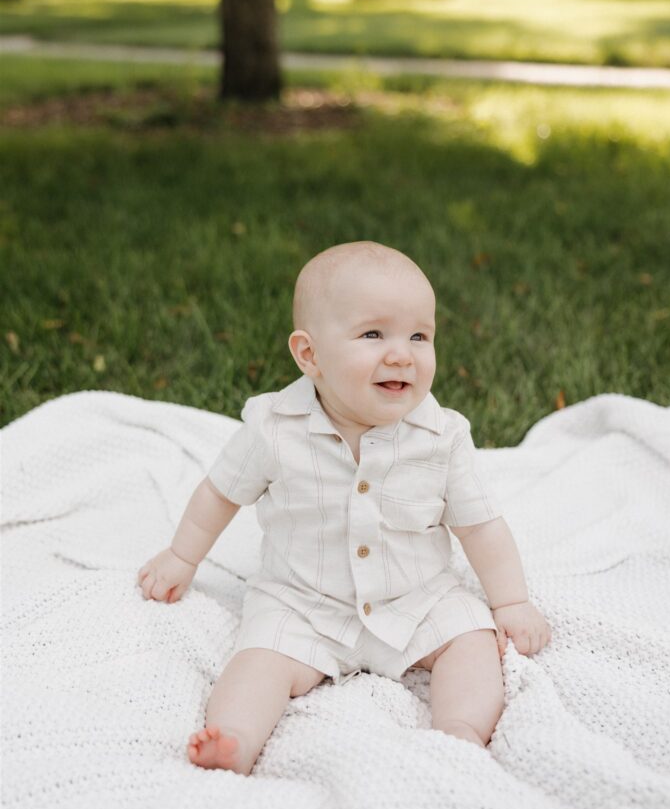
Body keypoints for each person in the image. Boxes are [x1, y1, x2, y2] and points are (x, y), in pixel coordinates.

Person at [137, 241, 551, 775]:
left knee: (471, 643)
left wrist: (511, 602)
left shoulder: (442, 435)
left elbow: (481, 527)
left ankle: (461, 730)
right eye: (373, 334)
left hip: (418, 596)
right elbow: (219, 494)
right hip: (302, 601)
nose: (401, 353)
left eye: (419, 336)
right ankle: (234, 738)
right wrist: (181, 556)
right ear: (309, 355)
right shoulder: (273, 427)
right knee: (257, 662)